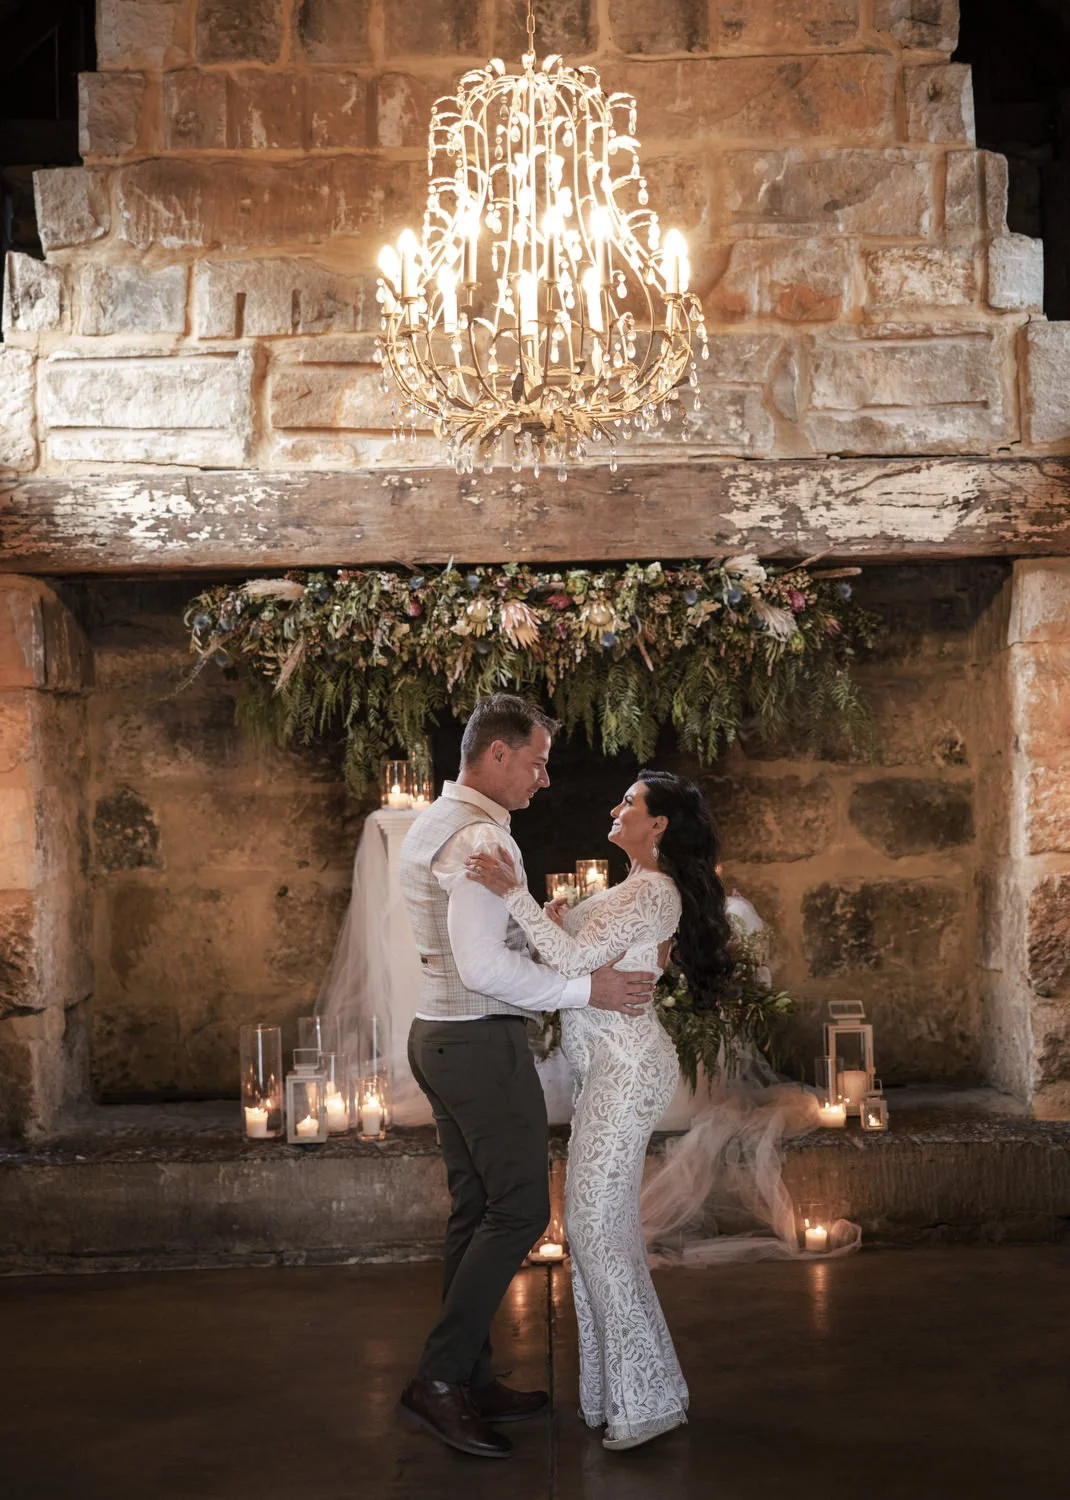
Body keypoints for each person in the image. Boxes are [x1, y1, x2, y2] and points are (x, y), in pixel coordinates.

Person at [395, 694, 657, 1460]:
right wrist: (588, 989)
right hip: (476, 1043)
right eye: (537, 762)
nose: (545, 779)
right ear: (498, 754)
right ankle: (439, 1381)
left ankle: (468, 1377)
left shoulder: (435, 822)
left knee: (475, 1207)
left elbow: (465, 936)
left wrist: (526, 915)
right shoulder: (482, 835)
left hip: (435, 1034)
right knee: (514, 1212)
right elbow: (480, 965)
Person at [467, 768, 734, 1451]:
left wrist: (516, 895)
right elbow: (566, 965)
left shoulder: (655, 891)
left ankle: (647, 1399)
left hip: (627, 1068)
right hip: (606, 1071)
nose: (615, 809)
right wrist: (550, 921)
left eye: (629, 803)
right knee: (594, 1229)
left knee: (591, 1228)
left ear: (659, 824)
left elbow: (576, 960)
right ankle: (615, 1394)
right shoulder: (627, 890)